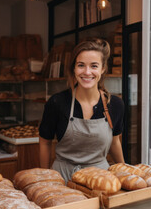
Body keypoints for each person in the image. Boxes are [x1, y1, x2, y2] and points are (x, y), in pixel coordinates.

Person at [39, 38, 125, 182]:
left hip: (100, 179)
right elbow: (45, 142)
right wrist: (45, 179)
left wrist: (123, 172)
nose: (87, 72)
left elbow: (115, 142)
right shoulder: (57, 102)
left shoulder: (115, 105)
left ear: (103, 68)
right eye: (81, 65)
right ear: (74, 68)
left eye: (94, 66)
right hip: (63, 178)